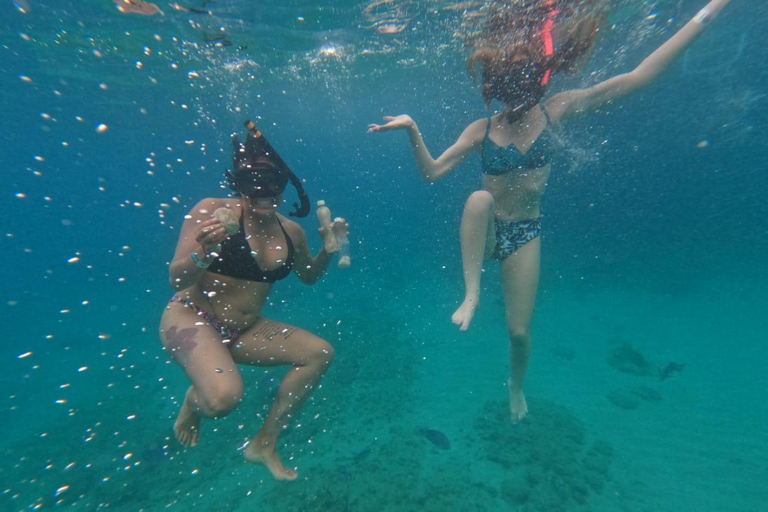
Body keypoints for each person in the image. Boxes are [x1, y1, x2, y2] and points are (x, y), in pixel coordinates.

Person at [368, 0, 732, 422]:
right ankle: (471, 295)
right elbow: (432, 173)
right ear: (498, 82)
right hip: (485, 234)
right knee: (479, 198)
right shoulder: (480, 130)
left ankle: (515, 386)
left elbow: (640, 75)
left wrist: (708, 13)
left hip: (525, 233)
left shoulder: (555, 110)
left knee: (519, 333)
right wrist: (413, 129)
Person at [160, 120, 348, 480]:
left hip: (243, 330)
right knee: (223, 400)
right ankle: (192, 401)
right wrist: (204, 252)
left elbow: (308, 277)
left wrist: (327, 249)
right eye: (252, 183)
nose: (264, 192)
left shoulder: (290, 230)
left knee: (319, 354)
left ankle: (263, 443)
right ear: (237, 183)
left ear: (284, 183)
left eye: (272, 183)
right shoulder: (209, 211)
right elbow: (176, 278)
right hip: (190, 318)